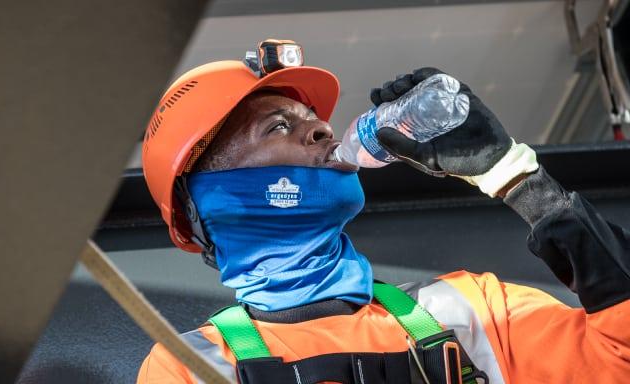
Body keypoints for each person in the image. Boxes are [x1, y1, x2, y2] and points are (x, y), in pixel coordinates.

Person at [137, 40, 630, 383]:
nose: (324, 132)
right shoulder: (188, 367)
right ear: (206, 199)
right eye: (278, 126)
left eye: (315, 120)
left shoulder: (472, 310)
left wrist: (516, 178)